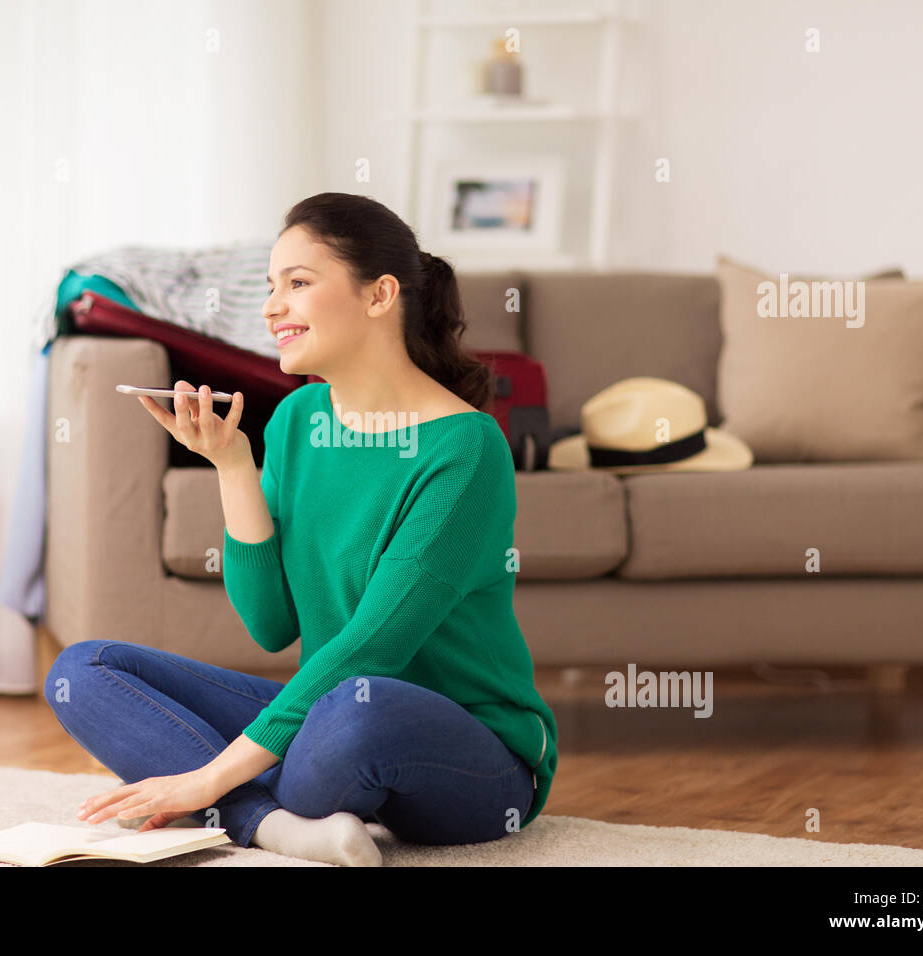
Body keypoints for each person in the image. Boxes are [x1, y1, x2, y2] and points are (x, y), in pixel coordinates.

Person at [44, 192, 558, 867]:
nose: (271, 307)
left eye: (298, 284)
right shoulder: (296, 420)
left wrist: (204, 778)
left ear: (379, 296)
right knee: (82, 670)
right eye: (270, 286)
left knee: (352, 711)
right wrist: (233, 465)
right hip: (329, 715)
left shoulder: (466, 450)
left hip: (472, 756)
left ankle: (243, 806)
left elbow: (372, 650)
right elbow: (270, 626)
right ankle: (275, 826)